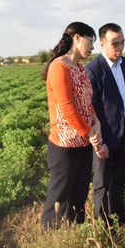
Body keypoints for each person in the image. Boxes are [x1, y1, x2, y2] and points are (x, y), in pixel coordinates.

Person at [41, 22, 106, 229]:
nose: (93, 47)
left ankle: (76, 234)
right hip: (65, 145)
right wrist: (89, 132)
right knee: (59, 195)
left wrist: (96, 123)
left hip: (83, 143)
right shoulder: (59, 67)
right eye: (91, 41)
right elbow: (67, 107)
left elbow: (87, 102)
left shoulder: (80, 68)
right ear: (77, 38)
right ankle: (49, 238)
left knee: (79, 195)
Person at [86, 23, 125, 225]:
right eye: (115, 43)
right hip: (105, 134)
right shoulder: (93, 70)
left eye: (122, 42)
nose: (120, 47)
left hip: (124, 130)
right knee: (102, 182)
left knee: (119, 179)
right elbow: (92, 110)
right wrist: (100, 142)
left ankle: (120, 217)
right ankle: (103, 223)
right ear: (102, 44)